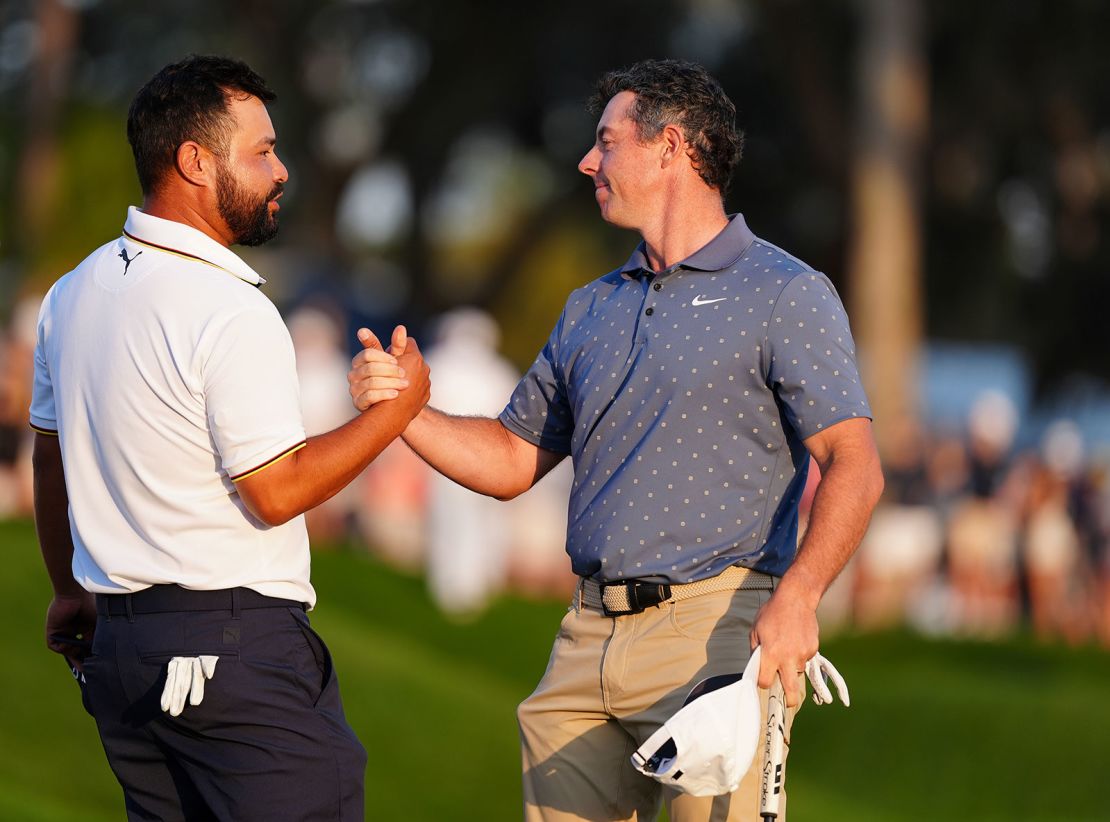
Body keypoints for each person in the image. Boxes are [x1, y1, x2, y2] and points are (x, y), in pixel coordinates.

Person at [350, 59, 883, 821]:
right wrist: (405, 412)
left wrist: (800, 596)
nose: (586, 161)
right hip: (583, 642)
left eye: (606, 142)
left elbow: (854, 465)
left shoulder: (784, 292)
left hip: (719, 639)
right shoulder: (589, 308)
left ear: (671, 147)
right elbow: (509, 459)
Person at [30, 55, 426, 821]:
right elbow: (275, 492)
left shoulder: (70, 292)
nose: (281, 171)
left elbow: (51, 460)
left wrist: (68, 591)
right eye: (263, 152)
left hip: (121, 651)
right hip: (228, 649)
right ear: (195, 162)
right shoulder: (228, 305)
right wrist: (395, 412)